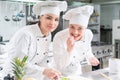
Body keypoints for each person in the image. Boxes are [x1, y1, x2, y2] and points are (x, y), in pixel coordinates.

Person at [6, 1, 67, 80]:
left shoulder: (48, 34)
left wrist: (50, 74)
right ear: (40, 17)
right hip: (13, 76)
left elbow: (42, 61)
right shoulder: (26, 34)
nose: (53, 23)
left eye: (56, 19)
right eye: (48, 18)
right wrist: (44, 71)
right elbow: (19, 64)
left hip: (31, 77)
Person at [53, 5, 100, 77]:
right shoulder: (59, 37)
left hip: (77, 73)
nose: (75, 32)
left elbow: (87, 50)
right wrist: (69, 50)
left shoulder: (88, 34)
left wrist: (91, 57)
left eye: (80, 28)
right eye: (72, 27)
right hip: (59, 75)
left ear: (85, 28)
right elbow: (60, 65)